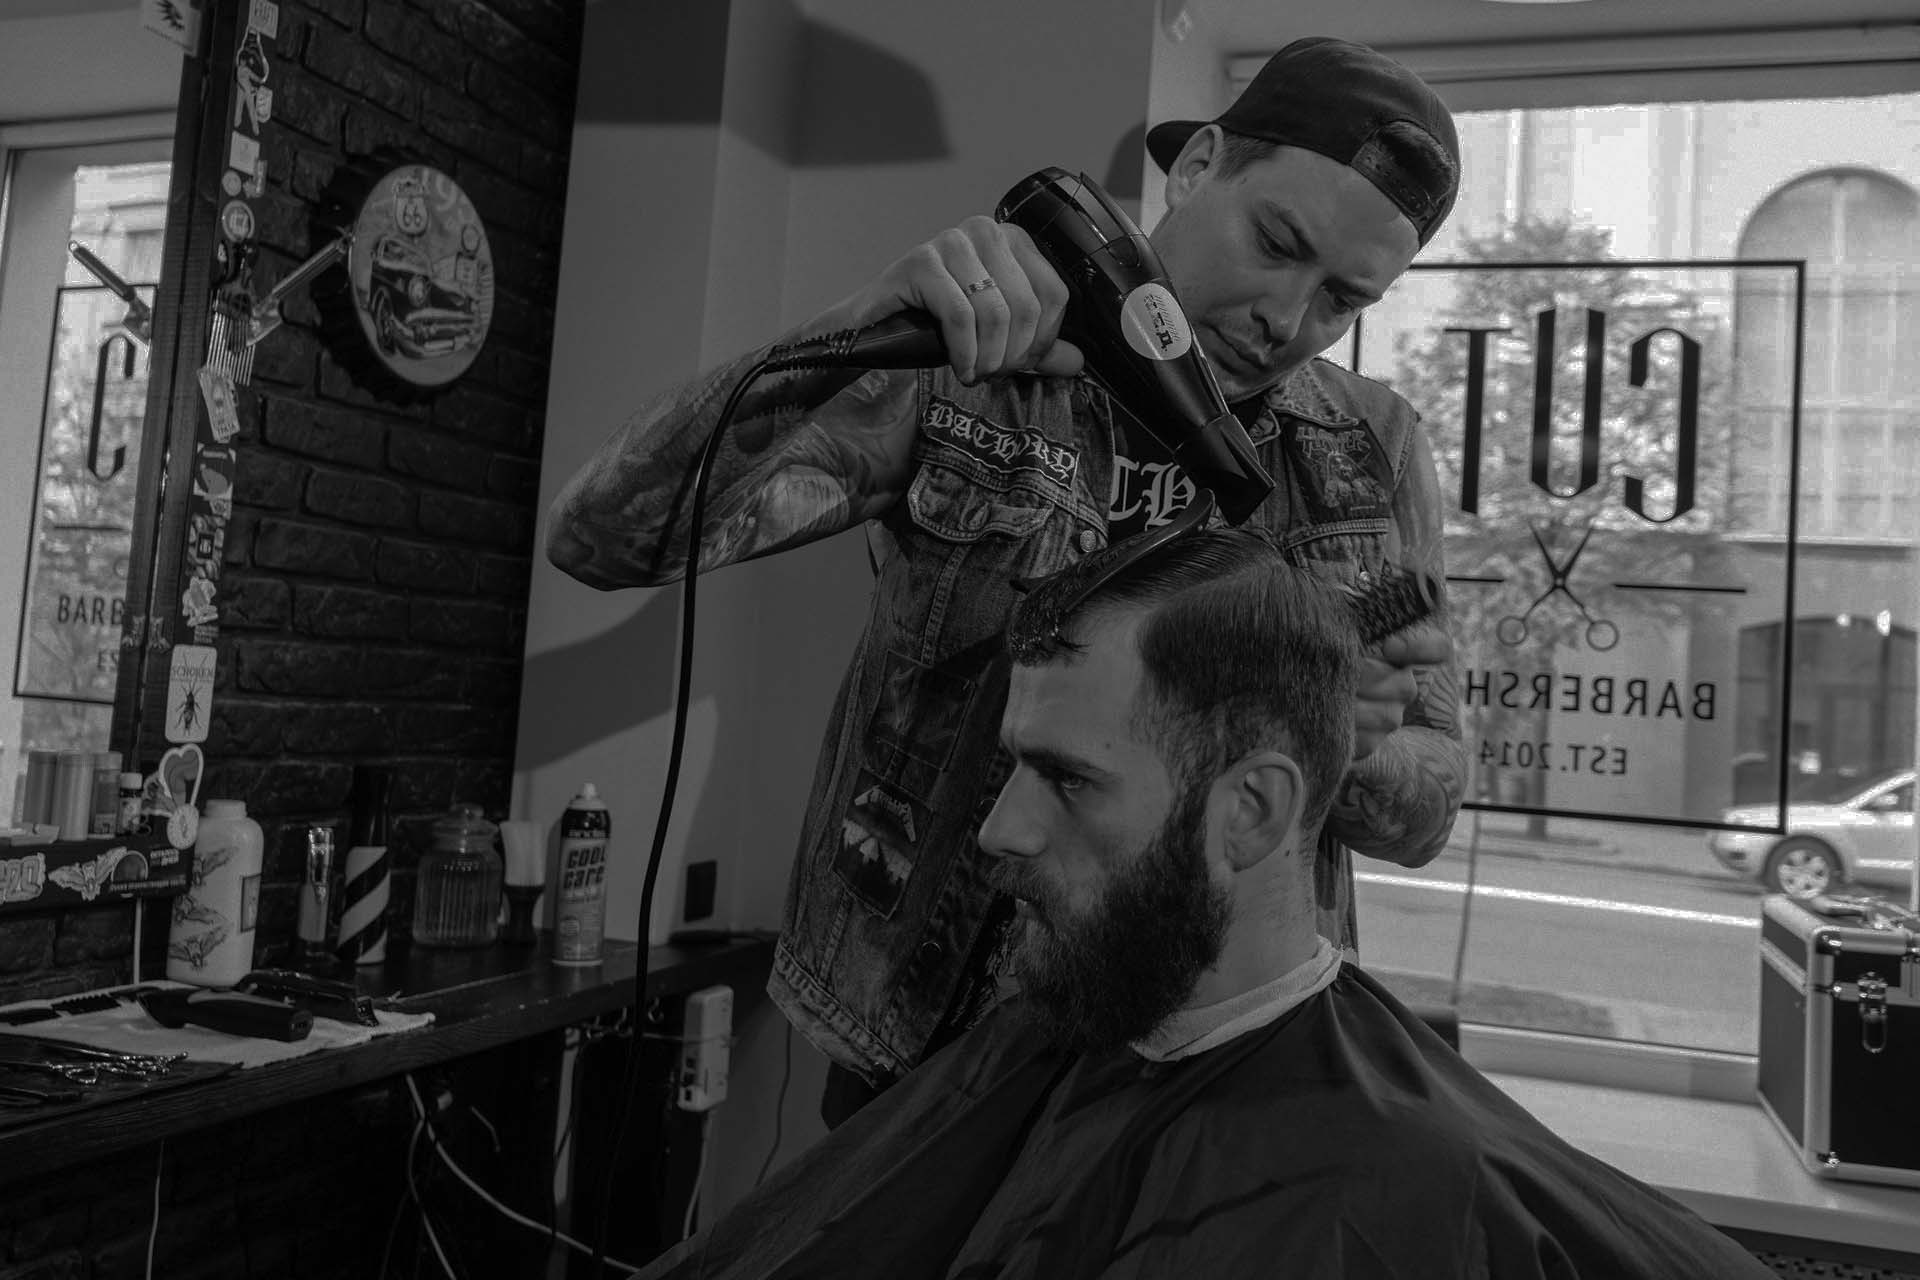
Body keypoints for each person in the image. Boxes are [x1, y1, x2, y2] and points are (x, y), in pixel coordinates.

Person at [547, 36, 1466, 1123]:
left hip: (1213, 1077)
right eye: (1277, 243)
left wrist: (1344, 735)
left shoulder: (1373, 454)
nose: (1287, 319)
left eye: (1342, 300)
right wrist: (862, 327)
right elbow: (607, 537)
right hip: (925, 1038)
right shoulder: (980, 370)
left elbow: (1425, 809)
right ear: (1199, 166)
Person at [633, 530, 1775, 1280]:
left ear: (1252, 811)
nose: (998, 831)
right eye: (1014, 768)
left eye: (1068, 779)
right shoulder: (1040, 1051)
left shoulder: (1406, 1186)